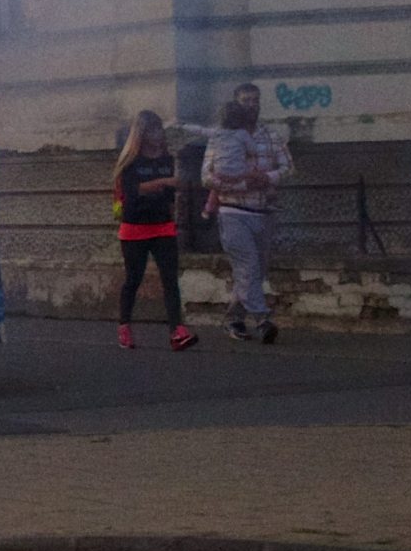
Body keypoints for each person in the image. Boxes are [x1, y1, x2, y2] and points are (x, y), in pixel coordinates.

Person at [204, 81, 291, 343]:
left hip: (263, 212)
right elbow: (207, 177)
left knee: (255, 271)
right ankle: (263, 320)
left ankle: (234, 318)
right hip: (233, 213)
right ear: (235, 104)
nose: (251, 105)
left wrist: (269, 178)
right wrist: (243, 183)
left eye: (255, 100)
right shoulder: (221, 137)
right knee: (249, 265)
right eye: (246, 101)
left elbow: (288, 168)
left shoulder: (272, 136)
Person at [112, 110, 197, 350]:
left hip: (162, 225)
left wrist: (171, 200)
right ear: (141, 133)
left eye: (159, 129)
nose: (157, 135)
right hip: (135, 227)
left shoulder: (166, 160)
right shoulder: (130, 161)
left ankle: (177, 331)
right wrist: (162, 183)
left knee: (170, 279)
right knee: (133, 279)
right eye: (152, 130)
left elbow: (170, 194)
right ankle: (124, 325)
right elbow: (132, 191)